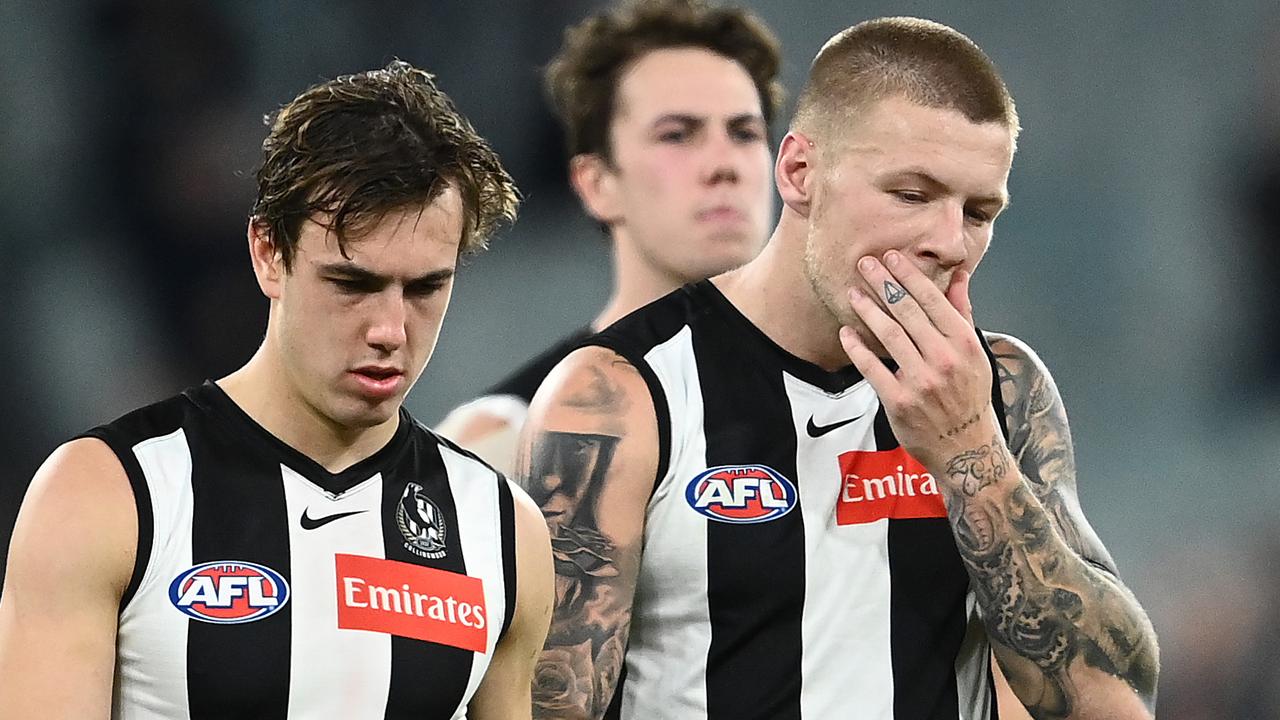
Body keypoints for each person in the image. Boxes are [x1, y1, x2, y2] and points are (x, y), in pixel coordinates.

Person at [519, 17, 1160, 720]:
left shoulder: (1002, 390)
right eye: (913, 195)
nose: (950, 242)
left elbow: (1112, 703)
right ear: (800, 173)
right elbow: (549, 706)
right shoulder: (623, 393)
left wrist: (969, 451)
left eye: (978, 211)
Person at [0, 61, 553, 719]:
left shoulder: (500, 529)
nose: (389, 329)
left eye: (426, 288)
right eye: (352, 283)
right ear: (268, 253)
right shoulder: (108, 495)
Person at [436, 0, 783, 476]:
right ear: (597, 184)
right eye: (677, 135)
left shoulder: (878, 401)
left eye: (744, 132)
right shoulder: (502, 443)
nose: (724, 164)